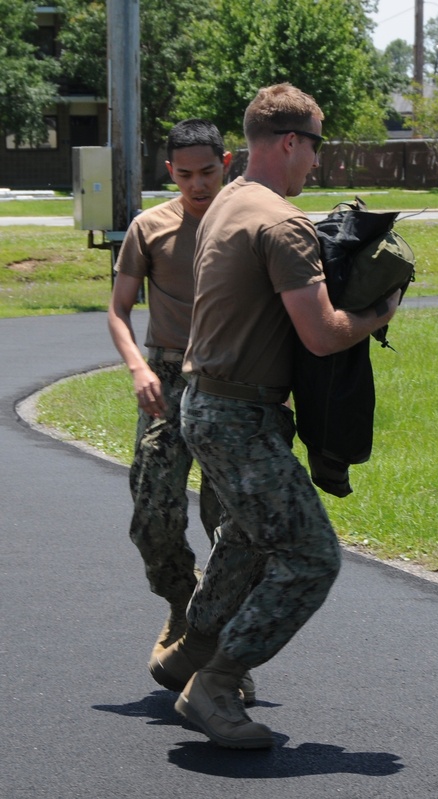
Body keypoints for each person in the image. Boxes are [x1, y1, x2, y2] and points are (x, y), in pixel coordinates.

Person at [150, 83, 401, 749]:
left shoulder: (230, 201)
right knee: (311, 555)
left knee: (246, 536)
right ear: (290, 142)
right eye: (316, 146)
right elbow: (321, 334)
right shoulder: (282, 224)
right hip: (238, 414)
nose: (317, 162)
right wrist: (381, 312)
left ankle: (189, 649)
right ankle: (217, 681)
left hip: (205, 402)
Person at [106, 119, 249, 694]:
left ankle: (220, 650)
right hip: (165, 378)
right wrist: (139, 368)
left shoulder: (246, 223)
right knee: (152, 516)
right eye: (185, 174)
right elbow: (118, 311)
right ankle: (181, 605)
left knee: (229, 523)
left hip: (232, 381)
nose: (197, 185)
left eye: (208, 172)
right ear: (170, 172)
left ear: (228, 163)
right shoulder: (150, 227)